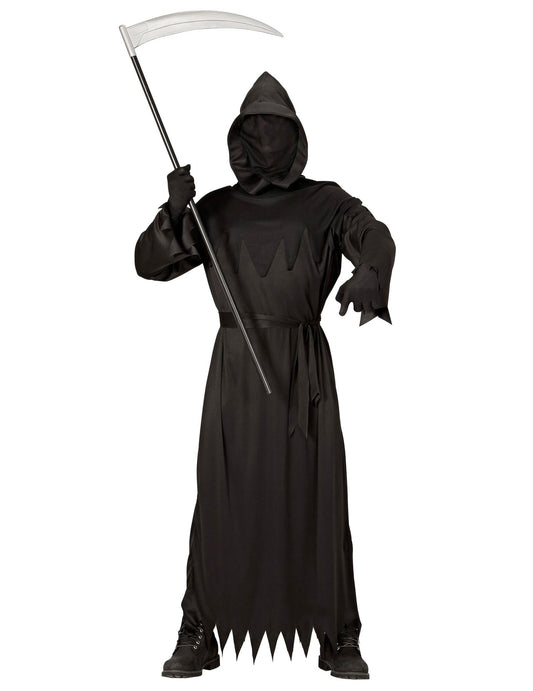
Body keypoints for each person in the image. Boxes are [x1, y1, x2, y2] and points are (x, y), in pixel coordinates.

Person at [134, 71, 395, 679]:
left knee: (316, 493)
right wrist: (174, 210)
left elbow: (375, 236)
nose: (267, 138)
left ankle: (338, 633)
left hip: (304, 368)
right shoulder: (214, 209)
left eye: (277, 128)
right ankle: (200, 630)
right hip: (235, 372)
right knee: (223, 495)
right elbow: (149, 264)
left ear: (296, 136)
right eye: (257, 129)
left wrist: (369, 272)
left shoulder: (327, 202)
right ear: (240, 137)